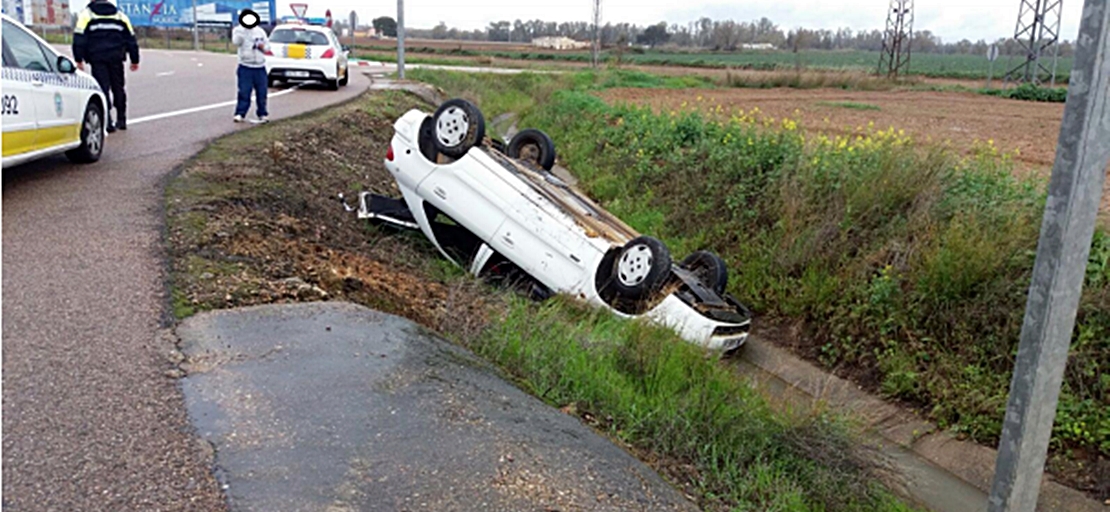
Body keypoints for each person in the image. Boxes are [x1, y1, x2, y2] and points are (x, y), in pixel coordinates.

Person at [73, 0, 139, 132]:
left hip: (97, 58)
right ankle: (122, 119)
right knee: (118, 88)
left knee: (103, 89)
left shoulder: (87, 15)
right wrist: (134, 59)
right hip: (116, 57)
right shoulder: (120, 15)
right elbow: (131, 38)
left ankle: (108, 122)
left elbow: (79, 38)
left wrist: (78, 58)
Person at [232, 10, 270, 123]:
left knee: (262, 92)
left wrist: (263, 46)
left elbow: (267, 46)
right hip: (245, 66)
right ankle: (240, 113)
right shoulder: (238, 30)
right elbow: (236, 42)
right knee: (244, 91)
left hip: (260, 66)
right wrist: (242, 34)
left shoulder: (260, 31)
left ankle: (262, 113)